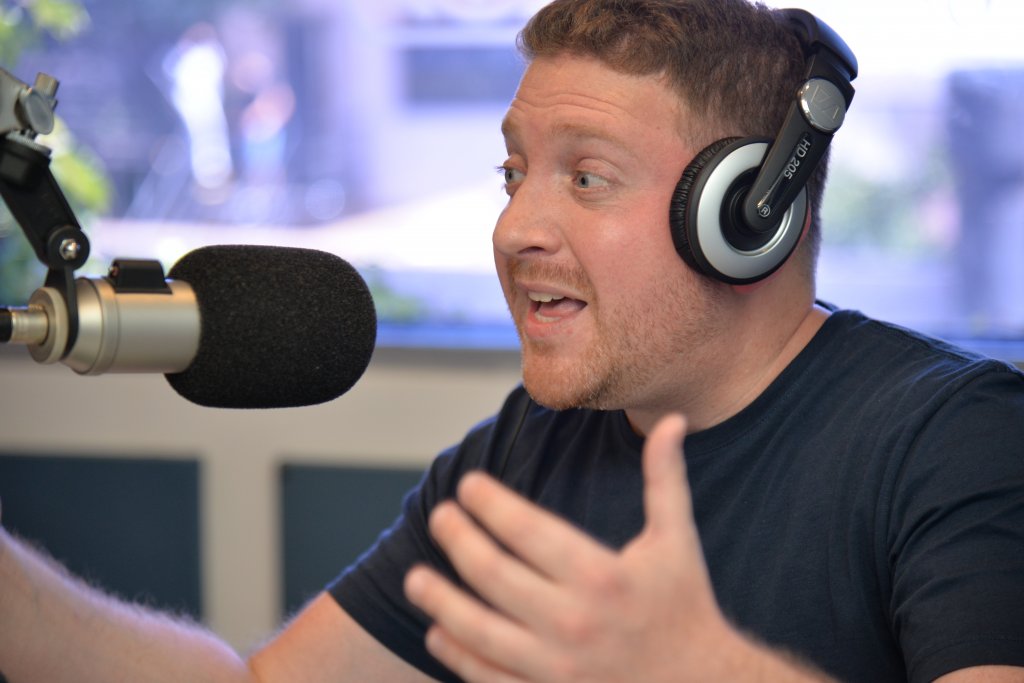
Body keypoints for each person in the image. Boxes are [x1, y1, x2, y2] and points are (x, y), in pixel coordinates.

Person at [1, 0, 1023, 681]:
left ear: (747, 213)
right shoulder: (533, 447)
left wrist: (706, 667)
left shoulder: (957, 439)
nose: (514, 228)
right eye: (514, 175)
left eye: (586, 176)